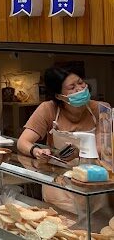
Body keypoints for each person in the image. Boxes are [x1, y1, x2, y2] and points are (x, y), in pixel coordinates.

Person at [17, 67, 108, 212]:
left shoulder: (101, 109)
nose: (80, 88)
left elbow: (104, 148)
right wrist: (36, 151)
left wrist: (79, 152)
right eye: (72, 87)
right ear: (59, 96)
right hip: (59, 181)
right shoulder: (48, 109)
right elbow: (23, 142)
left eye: (81, 83)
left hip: (94, 181)